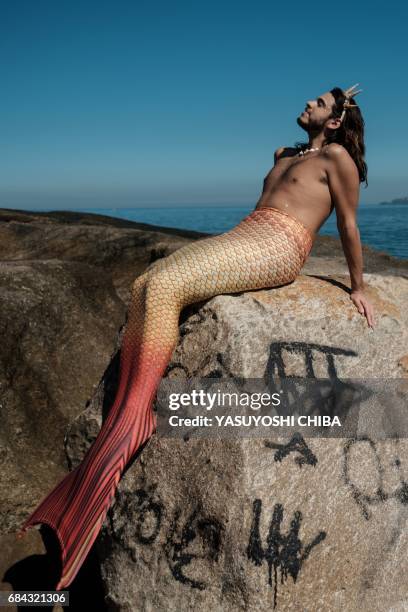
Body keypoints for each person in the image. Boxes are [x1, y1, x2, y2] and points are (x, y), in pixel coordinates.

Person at [16, 83, 375, 590]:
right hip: (245, 233)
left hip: (280, 245)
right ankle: (130, 409)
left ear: (335, 121)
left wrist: (358, 287)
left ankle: (135, 417)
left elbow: (348, 223)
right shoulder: (283, 153)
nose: (308, 103)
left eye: (319, 102)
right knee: (146, 280)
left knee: (163, 287)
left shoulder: (336, 157)